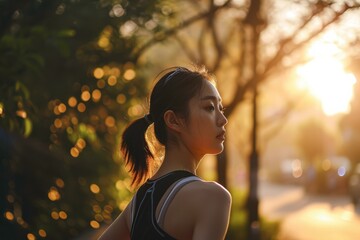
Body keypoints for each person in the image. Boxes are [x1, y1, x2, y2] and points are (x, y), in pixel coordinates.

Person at [98, 66, 231, 240]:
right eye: (209, 108)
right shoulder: (212, 197)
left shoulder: (139, 202)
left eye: (221, 108)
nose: (223, 120)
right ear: (174, 121)